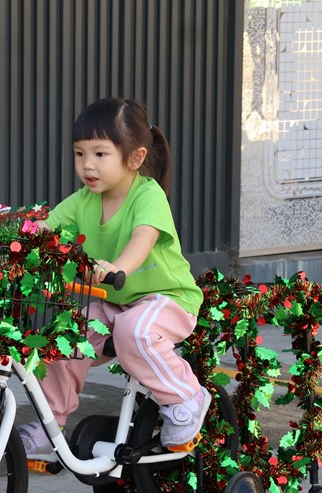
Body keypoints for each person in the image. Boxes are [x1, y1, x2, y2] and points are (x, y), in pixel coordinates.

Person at [21, 98, 208, 455]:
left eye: (100, 154)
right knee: (62, 337)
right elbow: (47, 227)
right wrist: (14, 237)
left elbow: (142, 239)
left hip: (166, 300)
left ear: (135, 158)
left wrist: (117, 267)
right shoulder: (83, 200)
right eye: (79, 154)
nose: (87, 165)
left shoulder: (147, 195)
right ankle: (51, 421)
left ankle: (187, 396)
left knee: (134, 329)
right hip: (115, 303)